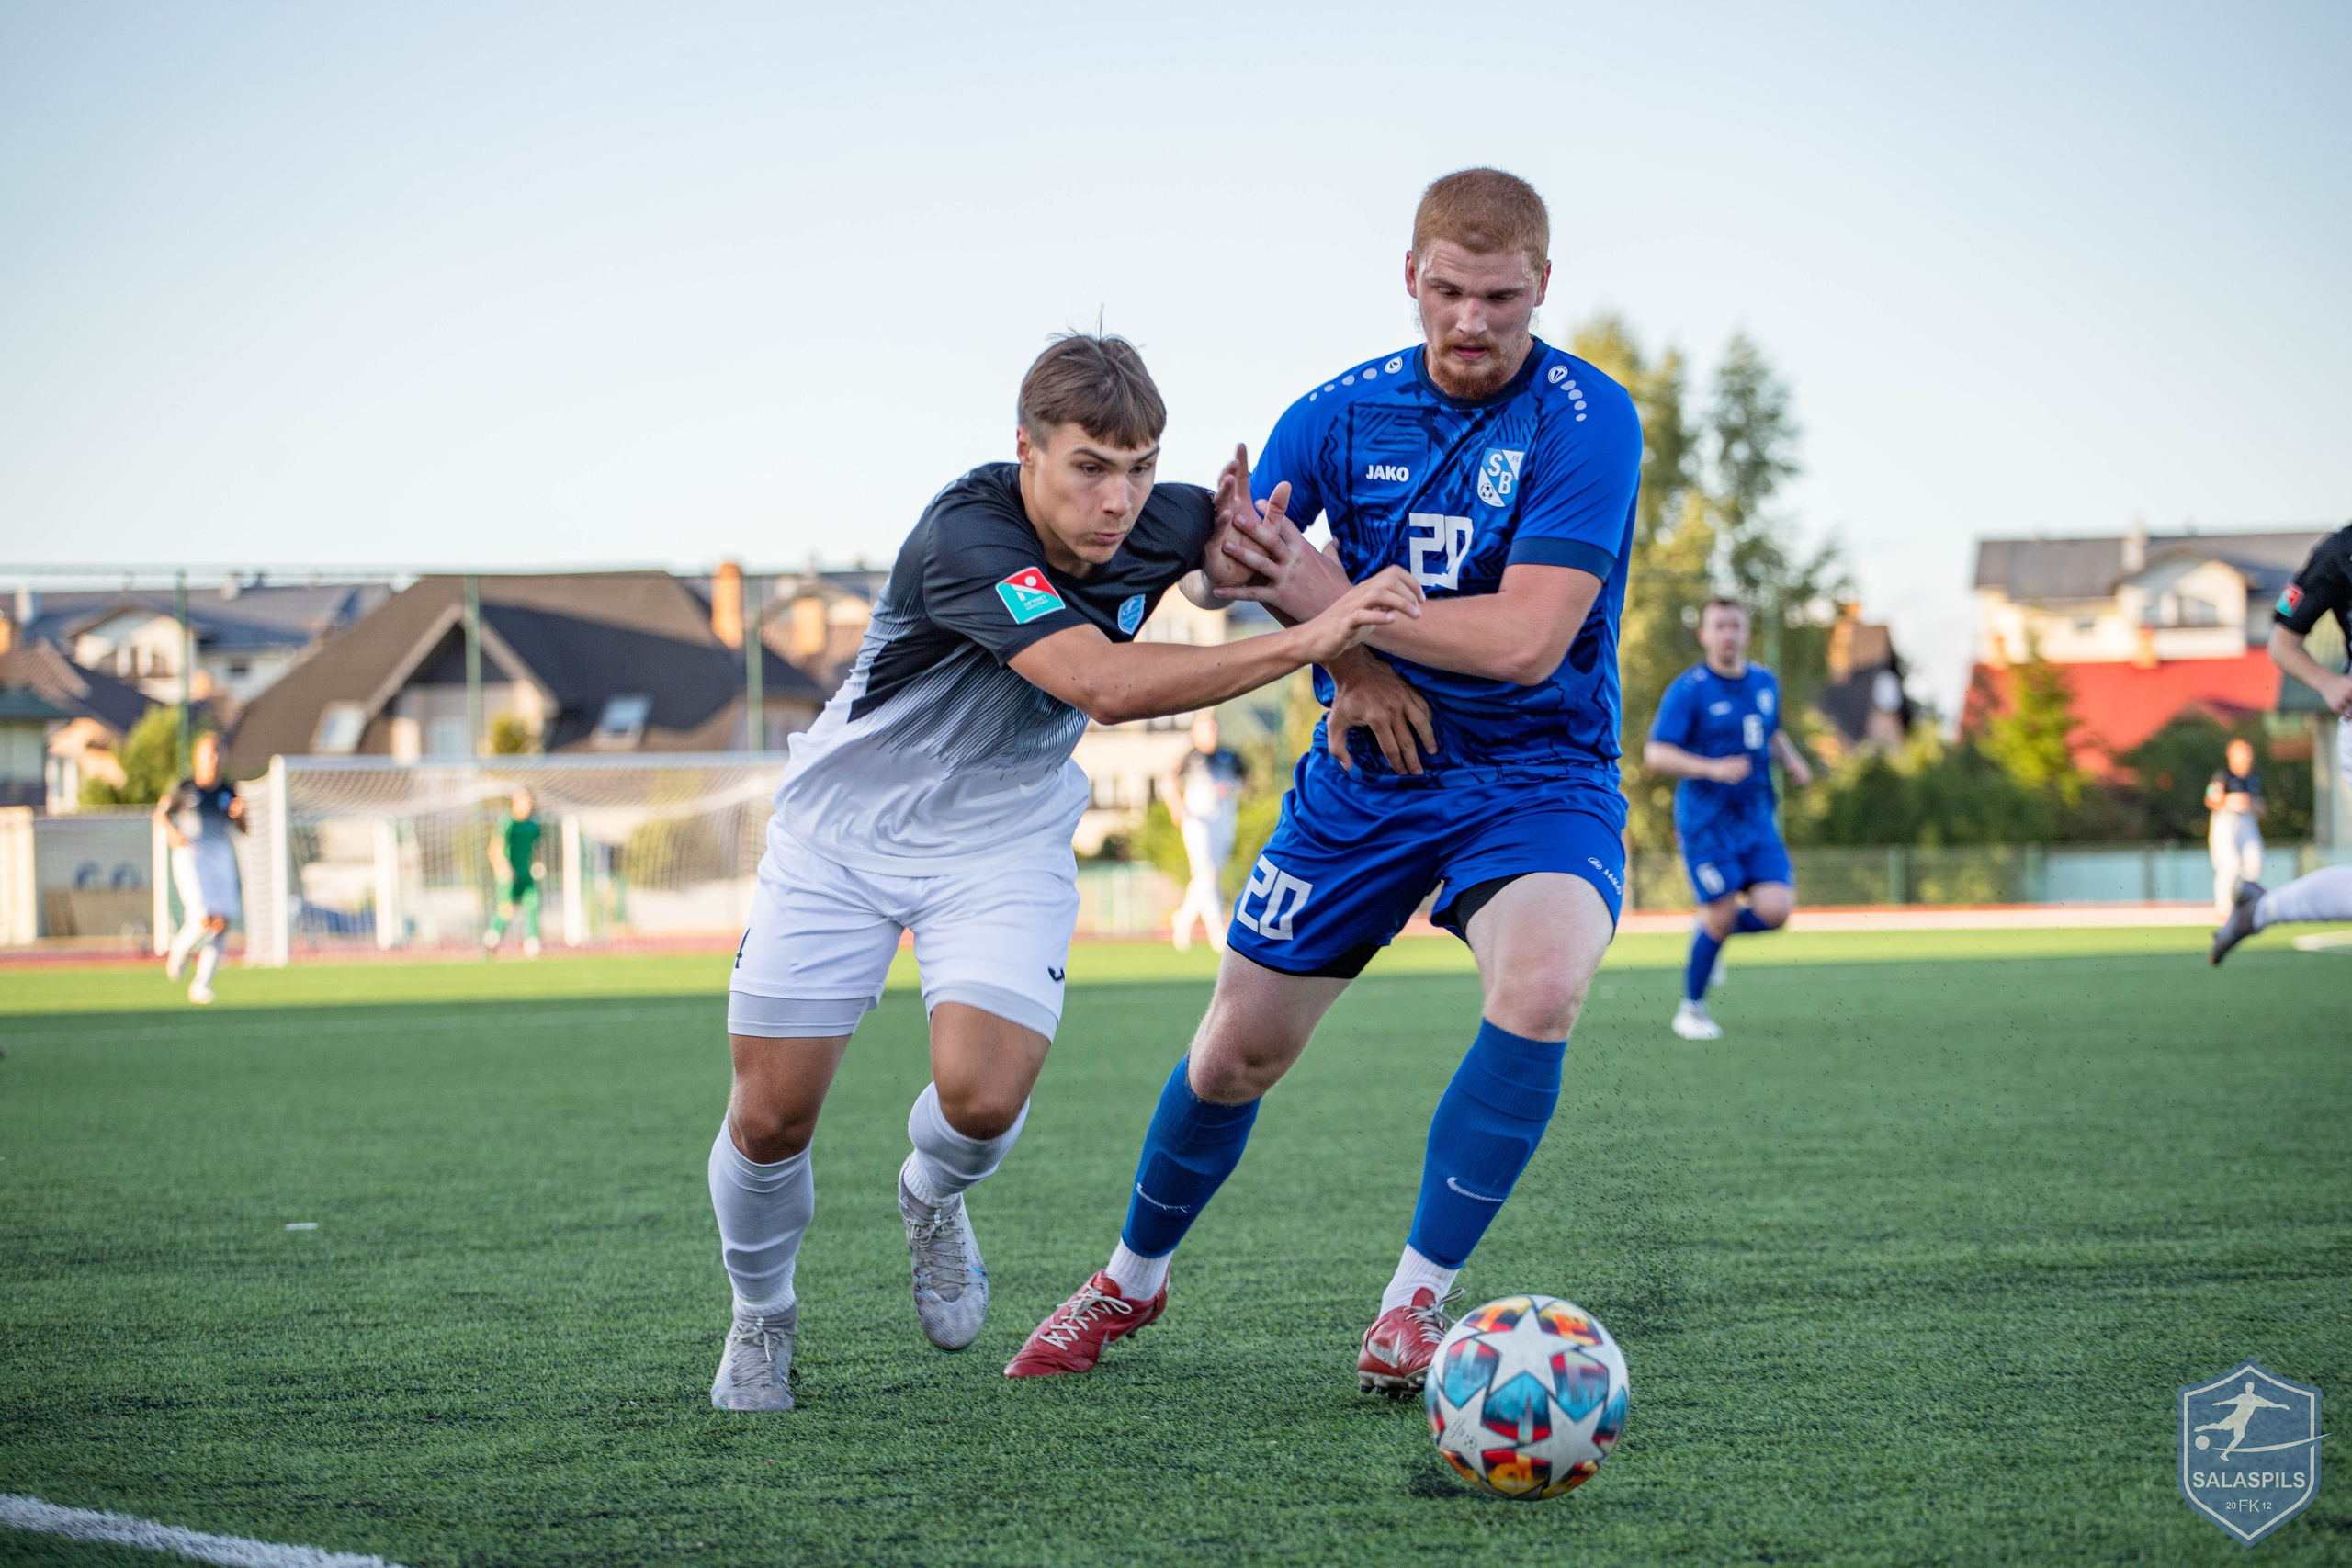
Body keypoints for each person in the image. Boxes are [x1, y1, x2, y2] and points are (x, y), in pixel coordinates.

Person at [1006, 169, 1644, 1396]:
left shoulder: (1586, 417)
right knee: (1234, 1050)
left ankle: (1414, 1305)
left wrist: (1334, 609)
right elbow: (1223, 574)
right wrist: (1327, 635)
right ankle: (1130, 1280)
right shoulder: (1338, 413)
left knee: (1548, 975)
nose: (1472, 321)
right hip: (1364, 776)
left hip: (1535, 770)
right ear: (1412, 277)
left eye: (1501, 297)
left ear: (1542, 288)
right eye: (1449, 291)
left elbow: (1523, 642)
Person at [706, 333, 1422, 1411]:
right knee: (769, 1122)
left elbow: (1231, 563)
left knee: (983, 1103)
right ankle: (760, 1316)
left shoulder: (1161, 512)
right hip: (841, 842)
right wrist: (1320, 641)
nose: (1119, 499)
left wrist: (1262, 591)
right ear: (1026, 451)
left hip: (1002, 842)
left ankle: (931, 1197)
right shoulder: (966, 536)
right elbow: (1100, 684)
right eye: (1090, 466)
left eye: (1139, 467)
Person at [1642, 598, 1815, 1040]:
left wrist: (1792, 761)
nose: (1728, 635)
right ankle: (1691, 1010)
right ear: (1704, 634)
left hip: (1757, 818)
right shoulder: (1689, 689)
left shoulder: (1763, 682)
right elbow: (1656, 753)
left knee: (1776, 911)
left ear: (1746, 633)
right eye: (1719, 626)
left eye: (1735, 626)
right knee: (1718, 917)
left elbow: (1769, 729)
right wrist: (1711, 768)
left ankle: (1709, 937)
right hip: (1707, 825)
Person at [2212, 521, 2352, 964]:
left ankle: (2258, 909)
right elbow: (2282, 642)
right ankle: (2257, 909)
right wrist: (2327, 683)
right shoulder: (2339, 551)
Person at [154, 731, 245, 1005]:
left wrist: (241, 816)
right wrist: (171, 832)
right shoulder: (185, 788)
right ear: (198, 758)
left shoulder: (228, 791)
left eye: (219, 753)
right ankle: (179, 951)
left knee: (223, 922)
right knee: (203, 917)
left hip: (220, 856)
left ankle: (201, 985)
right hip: (191, 855)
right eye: (209, 753)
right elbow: (161, 814)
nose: (214, 758)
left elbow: (243, 828)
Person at [1163, 711, 1245, 954]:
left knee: (1208, 875)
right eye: (1206, 727)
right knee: (1207, 873)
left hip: (1224, 818)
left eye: (1213, 727)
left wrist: (1230, 789)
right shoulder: (1190, 758)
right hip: (1197, 819)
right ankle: (1217, 933)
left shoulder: (1229, 756)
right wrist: (1176, 809)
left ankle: (1183, 920)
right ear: (1195, 732)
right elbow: (1168, 782)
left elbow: (1244, 782)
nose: (1211, 732)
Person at [2203, 739, 2264, 918]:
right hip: (2226, 820)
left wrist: (2256, 806)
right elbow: (2210, 799)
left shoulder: (2253, 777)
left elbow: (2258, 805)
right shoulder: (2223, 775)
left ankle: (2244, 903)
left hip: (2247, 821)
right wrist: (2229, 801)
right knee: (2230, 864)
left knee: (2254, 862)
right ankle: (2224, 908)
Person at [481, 787, 544, 958]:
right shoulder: (508, 822)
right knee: (506, 909)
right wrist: (502, 867)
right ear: (515, 803)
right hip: (509, 874)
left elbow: (537, 848)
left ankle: (532, 944)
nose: (528, 806)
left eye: (530, 802)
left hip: (526, 873)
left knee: (533, 903)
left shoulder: (533, 824)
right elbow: (495, 847)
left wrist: (538, 864)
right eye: (524, 802)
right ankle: (491, 940)